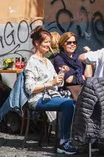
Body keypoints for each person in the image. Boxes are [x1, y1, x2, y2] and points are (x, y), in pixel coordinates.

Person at [24, 26, 77, 155]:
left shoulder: (47, 60)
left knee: (73, 102)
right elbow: (30, 88)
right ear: (37, 43)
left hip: (51, 95)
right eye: (46, 42)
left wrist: (61, 74)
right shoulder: (32, 62)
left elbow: (56, 83)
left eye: (49, 42)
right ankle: (63, 142)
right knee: (68, 104)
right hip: (37, 99)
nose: (49, 45)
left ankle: (71, 139)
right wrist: (50, 83)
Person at [53, 32, 91, 101]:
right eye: (69, 42)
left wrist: (87, 58)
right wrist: (82, 77)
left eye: (74, 42)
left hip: (82, 91)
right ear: (62, 44)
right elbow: (69, 79)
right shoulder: (59, 59)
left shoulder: (78, 58)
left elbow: (88, 77)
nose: (72, 44)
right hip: (67, 94)